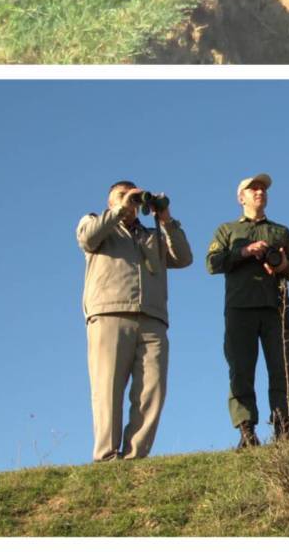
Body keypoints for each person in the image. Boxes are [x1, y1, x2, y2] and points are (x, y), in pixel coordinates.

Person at [76, 181, 193, 461]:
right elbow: (86, 239)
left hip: (152, 318)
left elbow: (184, 257)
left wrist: (165, 219)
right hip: (109, 313)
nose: (130, 201)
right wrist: (119, 209)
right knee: (108, 389)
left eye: (134, 197)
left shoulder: (151, 235)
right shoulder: (96, 223)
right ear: (110, 202)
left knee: (151, 389)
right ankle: (106, 455)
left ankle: (134, 457)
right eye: (121, 195)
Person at [206, 173, 289, 448]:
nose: (259, 192)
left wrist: (283, 265)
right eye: (253, 189)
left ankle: (283, 429)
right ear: (241, 198)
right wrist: (245, 252)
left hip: (276, 308)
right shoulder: (227, 230)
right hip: (240, 308)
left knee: (282, 369)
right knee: (241, 370)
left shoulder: (280, 231)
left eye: (262, 189)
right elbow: (212, 263)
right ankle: (246, 431)